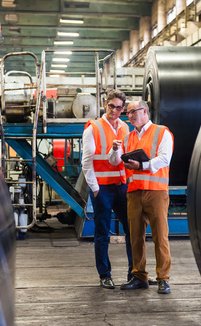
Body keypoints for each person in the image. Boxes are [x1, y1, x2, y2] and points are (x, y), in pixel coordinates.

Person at [110, 100, 173, 294]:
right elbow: (115, 162)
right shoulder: (128, 138)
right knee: (135, 236)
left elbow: (164, 158)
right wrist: (114, 149)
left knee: (160, 236)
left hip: (156, 191)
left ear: (144, 111)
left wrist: (142, 166)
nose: (128, 116)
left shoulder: (162, 132)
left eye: (132, 112)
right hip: (134, 192)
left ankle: (163, 278)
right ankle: (139, 276)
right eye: (127, 114)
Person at [82, 89, 133, 289]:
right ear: (105, 104)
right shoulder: (93, 128)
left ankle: (134, 273)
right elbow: (87, 162)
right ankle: (104, 274)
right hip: (101, 189)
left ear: (123, 109)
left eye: (119, 107)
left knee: (132, 230)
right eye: (111, 106)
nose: (114, 110)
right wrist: (95, 188)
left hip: (122, 187)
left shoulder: (125, 128)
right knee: (102, 232)